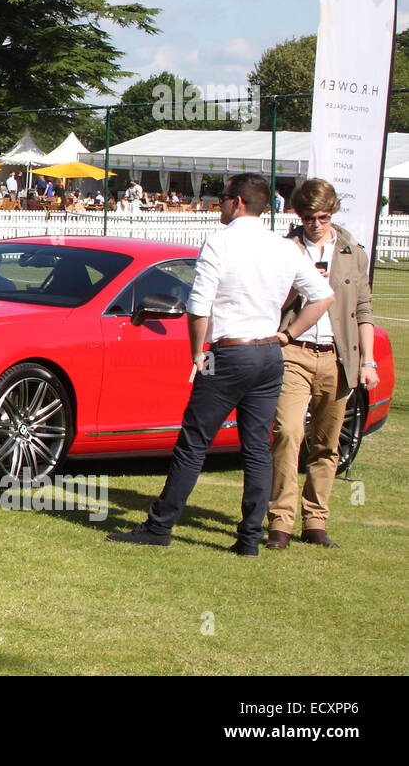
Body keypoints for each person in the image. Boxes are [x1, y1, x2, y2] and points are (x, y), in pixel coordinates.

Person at [107, 173, 334, 556]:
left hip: (226, 352)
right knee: (257, 448)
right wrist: (288, 333)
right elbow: (322, 296)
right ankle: (248, 539)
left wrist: (199, 353)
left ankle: (160, 526)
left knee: (194, 441)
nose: (220, 203)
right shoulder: (284, 248)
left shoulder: (221, 242)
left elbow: (199, 306)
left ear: (238, 202)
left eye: (224, 197)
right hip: (267, 353)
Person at [266, 179, 378, 550]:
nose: (316, 223)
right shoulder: (283, 249)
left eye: (323, 216)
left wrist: (369, 361)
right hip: (293, 351)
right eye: (308, 217)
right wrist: (303, 287)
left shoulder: (353, 252)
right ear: (298, 216)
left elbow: (363, 310)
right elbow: (271, 304)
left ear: (333, 212)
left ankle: (316, 521)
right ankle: (280, 522)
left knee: (327, 443)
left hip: (337, 356)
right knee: (288, 433)